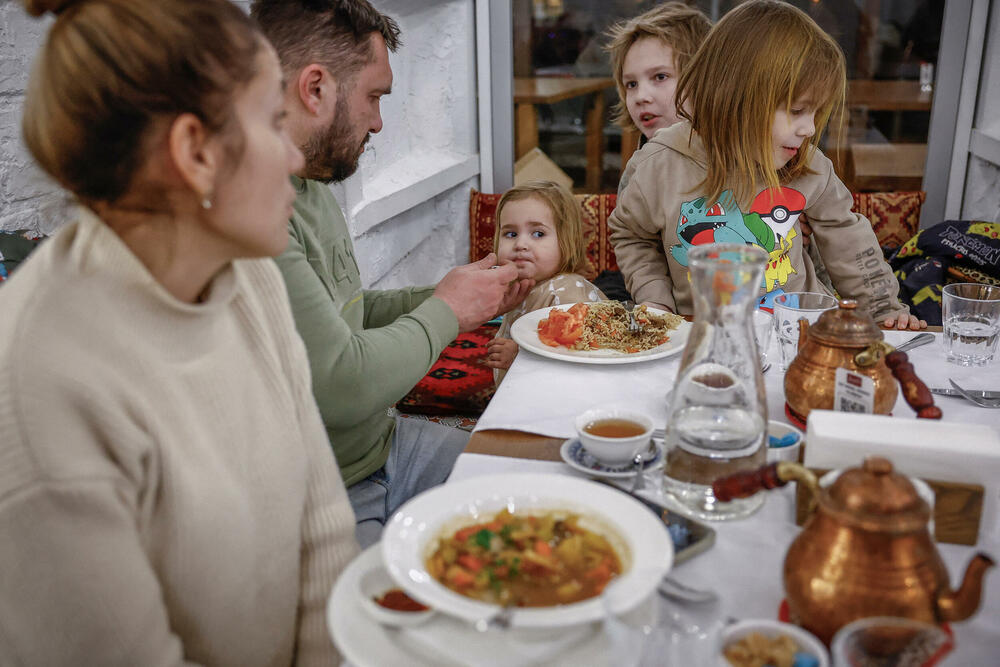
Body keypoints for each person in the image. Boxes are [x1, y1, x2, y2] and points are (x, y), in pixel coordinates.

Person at [0, 0, 359, 664]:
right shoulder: (36, 387)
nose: (292, 155)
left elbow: (324, 528)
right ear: (195, 151)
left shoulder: (251, 275)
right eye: (275, 122)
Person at [250, 0, 532, 548]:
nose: (379, 121)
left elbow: (349, 316)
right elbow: (344, 383)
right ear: (315, 88)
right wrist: (449, 309)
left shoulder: (312, 185)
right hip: (325, 494)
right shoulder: (256, 217)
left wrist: (466, 295)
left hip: (387, 447)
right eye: (374, 96)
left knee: (549, 488)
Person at [608, 0, 927, 330]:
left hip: (797, 334)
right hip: (701, 335)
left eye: (815, 113)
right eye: (797, 110)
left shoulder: (806, 163)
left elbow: (847, 236)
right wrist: (655, 300)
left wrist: (883, 309)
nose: (810, 129)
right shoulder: (659, 164)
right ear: (736, 97)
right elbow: (632, 235)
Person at [485, 181, 605, 382]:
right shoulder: (520, 286)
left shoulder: (568, 294)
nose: (521, 244)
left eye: (538, 234)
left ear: (566, 241)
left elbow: (581, 359)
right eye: (510, 234)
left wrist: (520, 357)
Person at [605, 2, 711, 195]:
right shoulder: (638, 173)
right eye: (631, 84)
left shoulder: (745, 159)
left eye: (660, 77)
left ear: (703, 78)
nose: (640, 97)